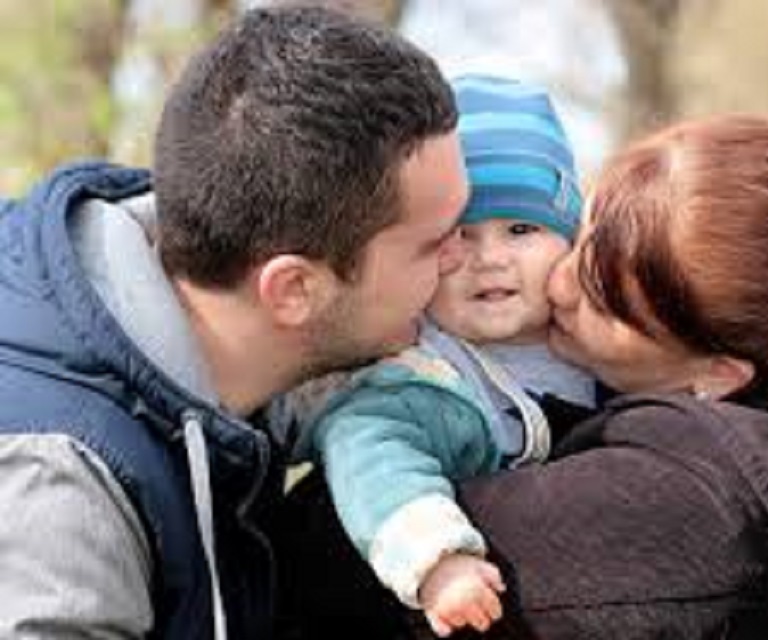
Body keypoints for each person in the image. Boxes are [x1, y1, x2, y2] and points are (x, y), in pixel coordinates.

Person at [274, 114, 768, 640]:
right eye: (583, 236)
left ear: (716, 373)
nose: (557, 284)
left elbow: (312, 564)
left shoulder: (681, 516)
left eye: (603, 299)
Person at [0, 4, 469, 639]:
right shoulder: (58, 496)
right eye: (431, 244)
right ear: (294, 289)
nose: (462, 258)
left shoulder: (220, 333)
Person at [290, 74, 596, 637]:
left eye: (522, 230)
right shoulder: (425, 376)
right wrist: (436, 560)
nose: (491, 259)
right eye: (462, 238)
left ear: (571, 243)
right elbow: (369, 452)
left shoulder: (593, 342)